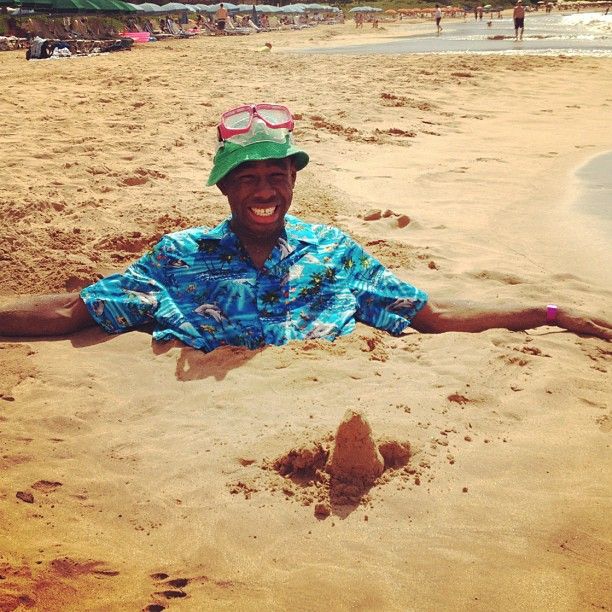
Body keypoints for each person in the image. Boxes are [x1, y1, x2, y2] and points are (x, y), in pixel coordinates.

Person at [0, 103, 610, 349]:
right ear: (224, 186)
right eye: (247, 178)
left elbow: (432, 314)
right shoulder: (179, 258)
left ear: (293, 182)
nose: (263, 192)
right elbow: (75, 310)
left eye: (275, 177)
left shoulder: (334, 253)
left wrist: (545, 313)